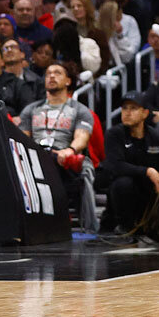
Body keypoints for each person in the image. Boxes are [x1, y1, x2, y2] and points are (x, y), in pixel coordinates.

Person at [18, 63, 97, 234]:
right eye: (48, 74)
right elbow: (22, 139)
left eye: (57, 73)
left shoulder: (79, 110)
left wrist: (70, 150)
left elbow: (82, 138)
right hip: (37, 157)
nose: (51, 76)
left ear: (68, 81)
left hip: (64, 156)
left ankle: (90, 227)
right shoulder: (31, 110)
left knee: (83, 167)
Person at [100, 94, 159, 237]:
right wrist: (148, 171)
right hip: (122, 196)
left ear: (145, 113)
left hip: (150, 195)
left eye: (133, 108)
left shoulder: (158, 138)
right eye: (124, 108)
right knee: (123, 183)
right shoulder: (114, 134)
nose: (127, 112)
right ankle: (124, 226)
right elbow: (116, 166)